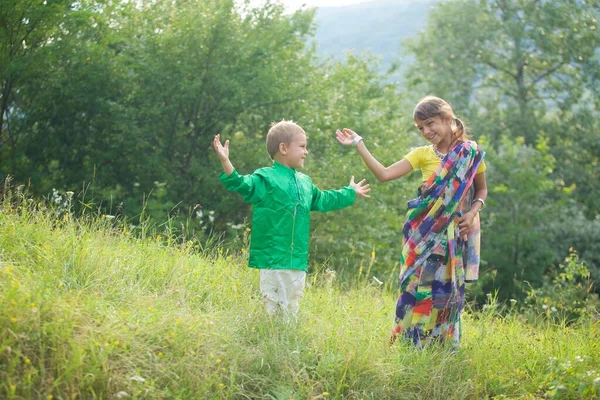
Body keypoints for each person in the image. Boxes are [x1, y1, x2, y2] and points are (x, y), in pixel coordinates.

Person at [335, 96, 487, 348]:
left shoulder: (470, 153)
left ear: (448, 120)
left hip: (453, 235)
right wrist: (358, 143)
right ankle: (410, 343)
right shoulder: (421, 154)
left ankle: (442, 347)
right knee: (415, 287)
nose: (426, 132)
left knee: (446, 291)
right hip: (422, 235)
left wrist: (471, 213)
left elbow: (481, 191)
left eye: (430, 124)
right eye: (421, 128)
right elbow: (383, 174)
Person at [214, 120, 371, 318]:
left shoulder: (305, 182)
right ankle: (270, 340)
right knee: (273, 305)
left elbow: (323, 199)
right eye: (302, 146)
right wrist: (225, 162)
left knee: (292, 305)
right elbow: (241, 184)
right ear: (283, 148)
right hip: (273, 257)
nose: (306, 152)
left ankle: (286, 340)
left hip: (297, 259)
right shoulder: (266, 178)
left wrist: (350, 192)